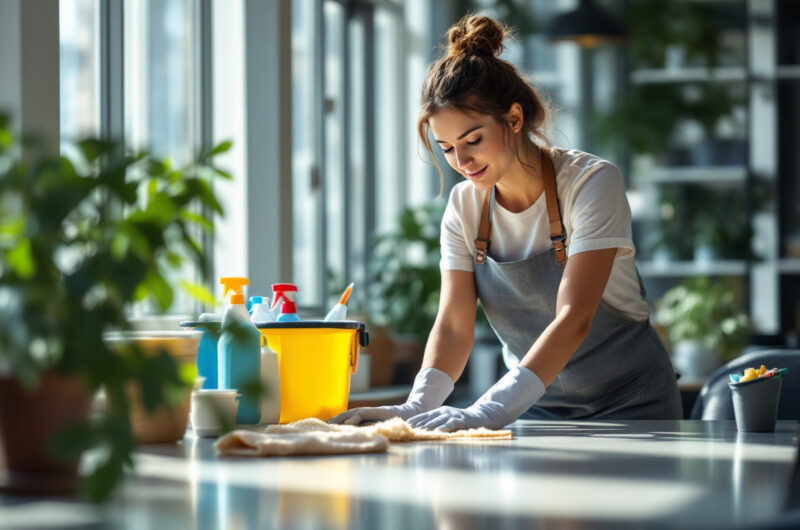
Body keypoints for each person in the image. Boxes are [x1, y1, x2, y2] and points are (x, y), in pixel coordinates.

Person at [330, 14, 681, 431]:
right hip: (534, 409)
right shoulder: (465, 207)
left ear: (514, 119)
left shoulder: (590, 183)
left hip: (633, 407)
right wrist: (414, 406)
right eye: (447, 148)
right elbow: (455, 326)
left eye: (473, 140)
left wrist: (487, 410)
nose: (462, 162)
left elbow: (575, 317)